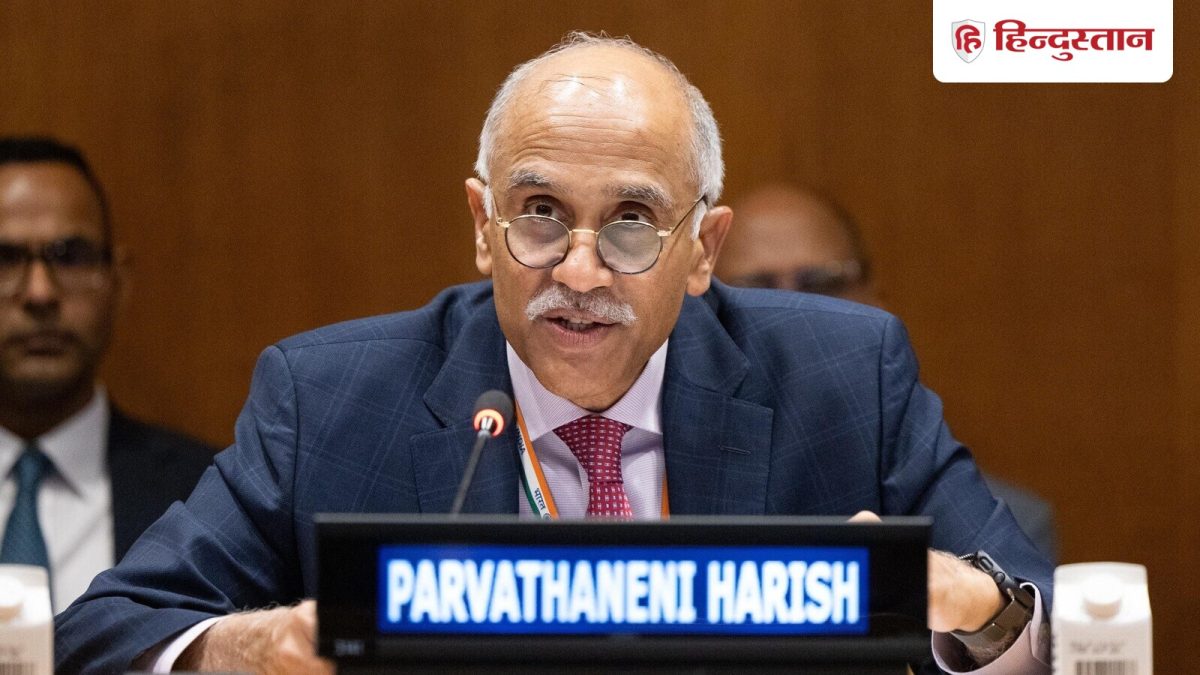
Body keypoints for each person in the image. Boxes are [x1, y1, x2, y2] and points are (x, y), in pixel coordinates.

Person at [55, 34, 1052, 674]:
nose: (579, 270)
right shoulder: (332, 398)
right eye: (539, 213)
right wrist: (245, 645)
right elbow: (105, 631)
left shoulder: (843, 377)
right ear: (481, 226)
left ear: (703, 250)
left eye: (631, 222)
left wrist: (975, 610)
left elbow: (1048, 631)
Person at [718, 184, 1059, 564]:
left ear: (876, 302)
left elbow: (1023, 589)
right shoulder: (671, 475)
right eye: (754, 292)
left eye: (823, 283)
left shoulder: (1001, 534)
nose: (794, 312)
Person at [0, 136, 214, 610]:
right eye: (5, 259)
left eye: (70, 256)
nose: (40, 293)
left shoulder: (207, 496)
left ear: (118, 282)